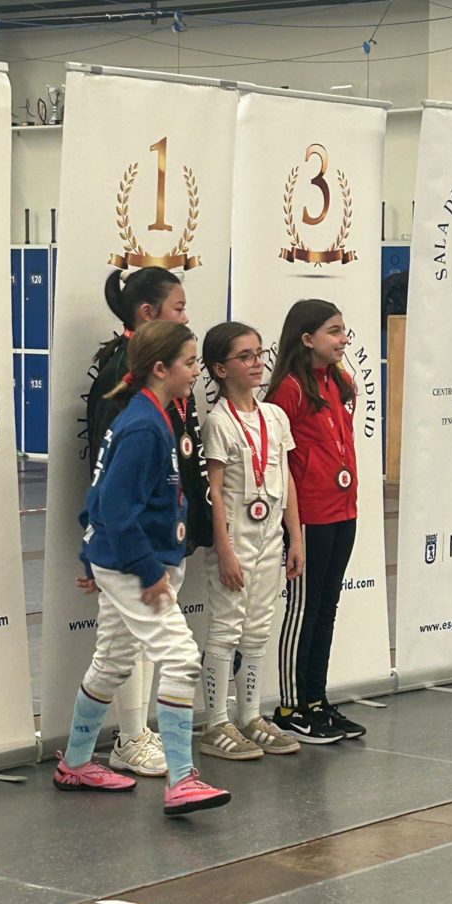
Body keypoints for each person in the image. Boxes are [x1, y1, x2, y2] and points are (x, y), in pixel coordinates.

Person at [55, 321, 230, 816]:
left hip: (124, 561)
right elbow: (112, 506)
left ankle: (75, 763)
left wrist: (92, 557)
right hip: (134, 566)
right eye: (189, 363)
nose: (195, 372)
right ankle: (182, 779)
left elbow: (98, 497)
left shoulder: (148, 417)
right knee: (181, 657)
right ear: (160, 368)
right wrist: (146, 571)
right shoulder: (143, 426)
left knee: (112, 660)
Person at [84, 267, 212, 778]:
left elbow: (181, 454)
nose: (185, 315)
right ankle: (148, 750)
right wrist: (97, 543)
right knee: (166, 653)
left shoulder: (166, 390)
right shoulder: (128, 390)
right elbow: (107, 479)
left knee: (118, 653)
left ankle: (79, 758)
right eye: (178, 308)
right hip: (131, 546)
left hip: (158, 535)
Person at [199, 322, 303, 760]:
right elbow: (214, 491)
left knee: (258, 628)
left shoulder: (274, 417)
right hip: (235, 542)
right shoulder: (218, 423)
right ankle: (215, 723)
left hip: (269, 538)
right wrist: (224, 550)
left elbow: (288, 479)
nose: (257, 363)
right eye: (245, 356)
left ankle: (250, 716)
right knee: (226, 629)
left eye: (259, 353)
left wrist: (295, 538)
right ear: (220, 369)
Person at [266, 300, 367, 745]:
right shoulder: (288, 390)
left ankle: (316, 700)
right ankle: (290, 708)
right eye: (334, 331)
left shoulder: (339, 381)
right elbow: (279, 461)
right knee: (303, 609)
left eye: (344, 330)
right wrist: (292, 531)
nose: (343, 338)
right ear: (307, 339)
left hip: (344, 510)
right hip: (308, 517)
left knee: (327, 607)